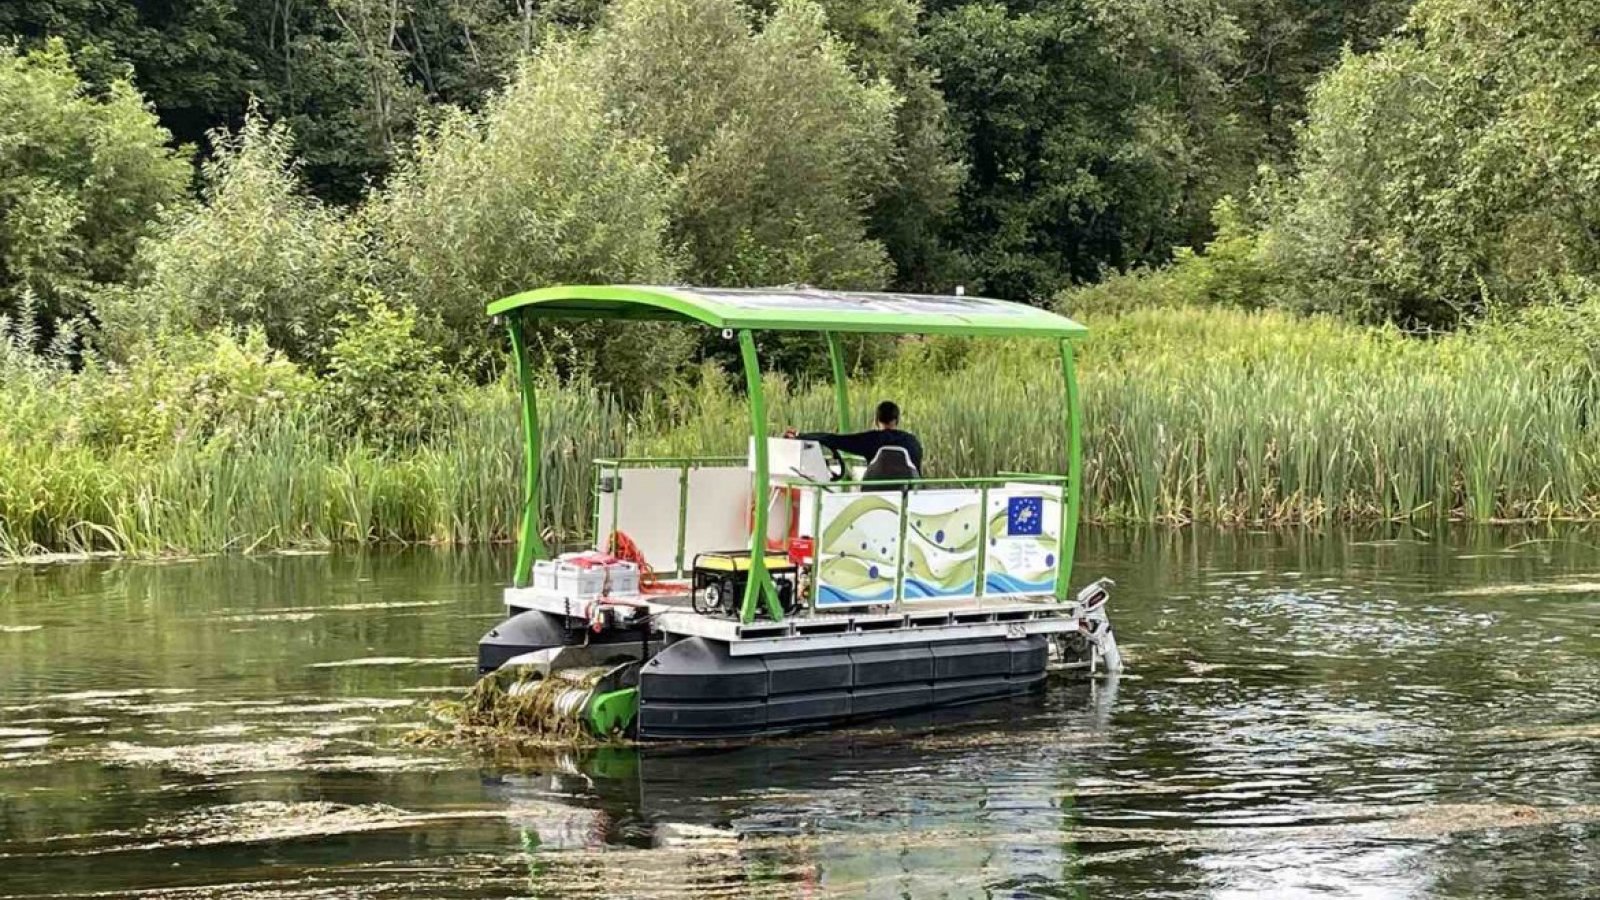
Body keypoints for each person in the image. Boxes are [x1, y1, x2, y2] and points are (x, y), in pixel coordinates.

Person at [794, 400, 924, 475]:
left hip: (876, 496)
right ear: (897, 420)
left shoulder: (871, 440)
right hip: (906, 497)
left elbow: (833, 439)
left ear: (876, 420)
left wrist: (800, 435)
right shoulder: (912, 442)